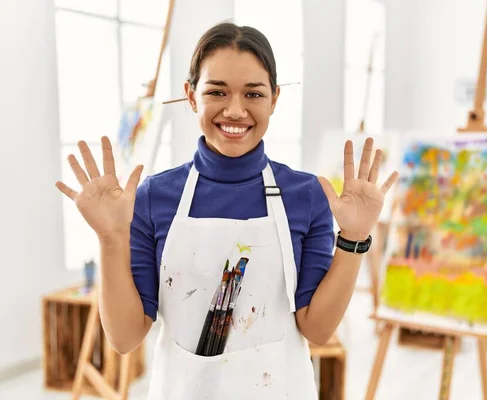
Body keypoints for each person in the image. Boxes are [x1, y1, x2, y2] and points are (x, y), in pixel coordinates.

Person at [56, 22, 398, 399]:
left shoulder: (306, 195)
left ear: (274, 98)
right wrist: (110, 238)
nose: (235, 111)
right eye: (217, 91)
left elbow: (316, 331)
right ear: (191, 96)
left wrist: (353, 238)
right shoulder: (154, 196)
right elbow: (124, 338)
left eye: (253, 94)